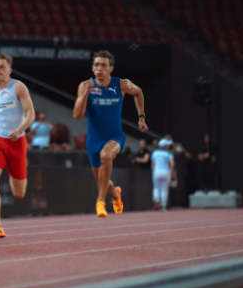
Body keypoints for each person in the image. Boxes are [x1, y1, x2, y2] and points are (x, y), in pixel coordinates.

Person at [73, 50, 147, 218]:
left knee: (106, 156)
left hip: (115, 137)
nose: (99, 68)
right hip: (93, 141)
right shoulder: (85, 86)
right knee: (104, 183)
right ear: (92, 68)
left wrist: (141, 116)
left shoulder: (121, 85)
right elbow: (77, 116)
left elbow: (138, 92)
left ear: (110, 68)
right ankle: (115, 195)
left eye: (103, 65)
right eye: (96, 65)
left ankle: (100, 202)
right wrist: (85, 94)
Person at [0, 54, 35, 241]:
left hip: (17, 143)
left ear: (9, 70)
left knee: (19, 193)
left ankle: (13, 176)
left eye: (2, 67)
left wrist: (19, 130)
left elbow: (30, 114)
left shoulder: (18, 87)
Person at [151, 138, 175, 211]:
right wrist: (172, 171)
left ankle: (156, 201)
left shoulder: (154, 153)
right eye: (167, 145)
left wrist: (153, 172)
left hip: (156, 171)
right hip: (166, 172)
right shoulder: (168, 153)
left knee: (156, 188)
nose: (168, 146)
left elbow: (152, 165)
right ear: (164, 146)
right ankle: (163, 206)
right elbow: (172, 163)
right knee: (164, 190)